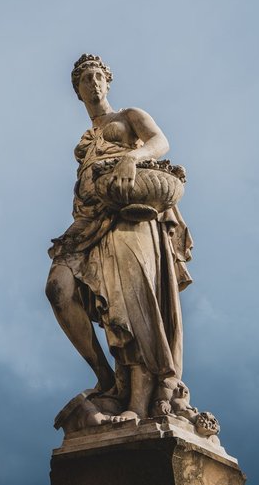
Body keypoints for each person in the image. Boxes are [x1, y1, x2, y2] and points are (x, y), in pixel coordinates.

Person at [46, 54, 193, 422]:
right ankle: (107, 380)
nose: (93, 84)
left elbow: (160, 142)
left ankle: (137, 400)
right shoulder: (86, 139)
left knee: (129, 303)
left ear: (107, 83)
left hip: (130, 210)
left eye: (98, 77)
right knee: (58, 289)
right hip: (90, 220)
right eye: (85, 80)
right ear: (78, 92)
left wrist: (133, 158)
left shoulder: (128, 116)